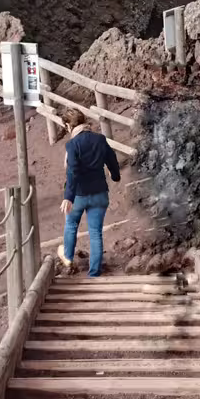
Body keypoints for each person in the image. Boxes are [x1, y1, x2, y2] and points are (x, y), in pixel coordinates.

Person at [59, 108, 121, 276]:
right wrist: (115, 176)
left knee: (71, 226)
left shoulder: (72, 144)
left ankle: (68, 262)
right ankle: (94, 273)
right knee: (95, 233)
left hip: (79, 194)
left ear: (68, 125)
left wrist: (68, 197)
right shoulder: (100, 139)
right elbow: (112, 159)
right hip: (100, 192)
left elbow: (73, 171)